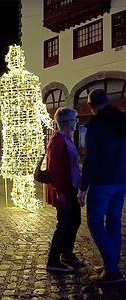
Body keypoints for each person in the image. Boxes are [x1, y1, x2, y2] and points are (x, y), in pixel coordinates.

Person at [77, 89, 126, 283]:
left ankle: (112, 269)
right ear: (107, 101)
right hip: (121, 181)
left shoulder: (96, 126)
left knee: (95, 223)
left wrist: (83, 188)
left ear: (91, 106)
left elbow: (91, 159)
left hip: (102, 182)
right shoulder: (122, 120)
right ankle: (110, 263)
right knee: (113, 223)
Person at [46, 107, 84, 273]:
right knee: (64, 223)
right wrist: (59, 190)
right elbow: (53, 167)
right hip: (63, 189)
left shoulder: (65, 138)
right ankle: (53, 260)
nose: (76, 123)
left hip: (71, 187)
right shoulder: (58, 139)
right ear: (68, 122)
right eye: (75, 120)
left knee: (74, 220)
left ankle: (67, 253)